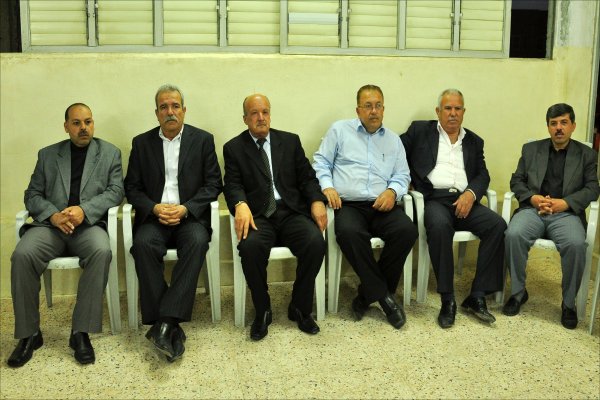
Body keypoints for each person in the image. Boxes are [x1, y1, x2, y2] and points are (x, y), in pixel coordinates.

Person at [8, 103, 124, 367]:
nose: (83, 128)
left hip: (88, 226)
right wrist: (53, 215)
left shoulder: (109, 153)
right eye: (76, 123)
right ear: (66, 126)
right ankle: (29, 334)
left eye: (88, 122)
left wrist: (84, 210)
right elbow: (32, 195)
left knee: (101, 251)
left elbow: (116, 191)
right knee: (22, 255)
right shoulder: (48, 155)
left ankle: (80, 332)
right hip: (51, 228)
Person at [124, 84, 222, 361]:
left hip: (188, 216)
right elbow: (132, 187)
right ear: (156, 113)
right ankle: (169, 324)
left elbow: (214, 183)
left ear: (184, 110)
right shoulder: (141, 143)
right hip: (155, 218)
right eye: (164, 107)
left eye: (175, 106)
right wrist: (154, 208)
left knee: (197, 241)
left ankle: (164, 322)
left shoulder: (202, 140)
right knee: (142, 244)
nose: (170, 112)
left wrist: (186, 208)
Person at [312, 84, 418, 329]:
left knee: (406, 231)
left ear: (384, 109)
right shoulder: (340, 130)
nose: (374, 111)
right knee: (349, 233)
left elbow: (402, 175)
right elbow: (321, 162)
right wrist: (327, 187)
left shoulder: (393, 140)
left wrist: (393, 191)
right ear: (358, 110)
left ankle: (366, 295)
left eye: (378, 105)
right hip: (349, 205)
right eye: (368, 106)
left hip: (382, 204)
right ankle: (385, 298)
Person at [223, 93, 327, 341]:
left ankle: (299, 307)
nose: (261, 117)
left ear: (270, 114)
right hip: (259, 215)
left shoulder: (290, 141)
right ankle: (263, 310)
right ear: (245, 118)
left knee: (315, 242)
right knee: (250, 248)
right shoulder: (234, 148)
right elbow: (233, 184)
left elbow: (307, 178)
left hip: (290, 212)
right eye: (254, 113)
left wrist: (316, 200)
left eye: (265, 112)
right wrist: (240, 204)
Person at [401, 89, 506, 329]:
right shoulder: (420, 130)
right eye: (447, 108)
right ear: (438, 111)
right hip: (434, 199)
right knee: (439, 225)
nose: (452, 113)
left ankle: (477, 295)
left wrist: (471, 194)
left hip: (464, 199)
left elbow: (482, 174)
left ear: (463, 112)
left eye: (457, 109)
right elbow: (394, 151)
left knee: (497, 225)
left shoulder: (474, 141)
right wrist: (402, 179)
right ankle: (448, 299)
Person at [503, 103, 600, 329]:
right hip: (533, 210)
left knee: (576, 244)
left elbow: (592, 188)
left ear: (573, 126)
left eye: (564, 123)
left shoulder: (587, 154)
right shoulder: (531, 150)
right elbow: (516, 180)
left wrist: (565, 203)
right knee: (513, 234)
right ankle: (518, 293)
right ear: (548, 127)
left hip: (566, 214)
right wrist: (533, 198)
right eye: (553, 123)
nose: (558, 128)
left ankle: (568, 303)